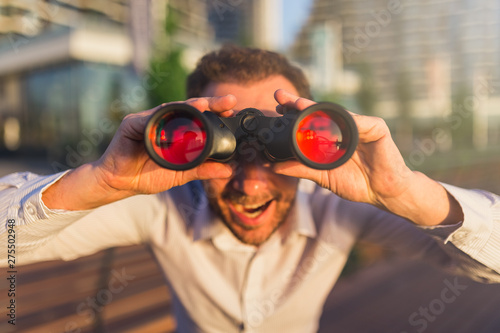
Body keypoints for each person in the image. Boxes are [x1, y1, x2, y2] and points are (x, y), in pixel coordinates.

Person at [1, 45, 500, 332]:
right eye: (227, 149)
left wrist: (408, 193)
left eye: (278, 153)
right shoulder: (163, 204)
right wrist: (100, 182)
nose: (252, 180)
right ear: (192, 137)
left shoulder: (338, 206)